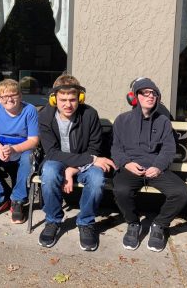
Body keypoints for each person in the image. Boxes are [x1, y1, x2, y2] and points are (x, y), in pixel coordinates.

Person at [37, 74, 116, 251]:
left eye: (72, 99)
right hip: (57, 160)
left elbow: (94, 149)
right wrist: (91, 159)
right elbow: (51, 152)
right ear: (53, 99)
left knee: (97, 179)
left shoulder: (90, 114)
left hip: (84, 163)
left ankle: (86, 222)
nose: (68, 104)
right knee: (49, 173)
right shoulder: (45, 116)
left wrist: (71, 170)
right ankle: (53, 220)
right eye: (63, 99)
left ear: (80, 98)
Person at [111, 77, 187, 252]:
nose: (150, 96)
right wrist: (127, 164)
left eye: (154, 93)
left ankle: (159, 225)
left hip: (155, 169)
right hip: (130, 168)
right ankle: (133, 224)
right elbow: (116, 149)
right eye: (145, 92)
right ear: (135, 97)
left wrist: (158, 166)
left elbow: (169, 149)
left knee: (181, 193)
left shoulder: (163, 122)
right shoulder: (122, 120)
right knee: (121, 190)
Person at [0, 79, 39, 223]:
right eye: (4, 96)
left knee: (28, 158)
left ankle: (18, 200)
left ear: (20, 96)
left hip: (22, 147)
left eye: (13, 94)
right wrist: (1, 149)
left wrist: (13, 149)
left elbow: (33, 141)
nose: (9, 99)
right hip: (1, 146)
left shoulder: (29, 110)